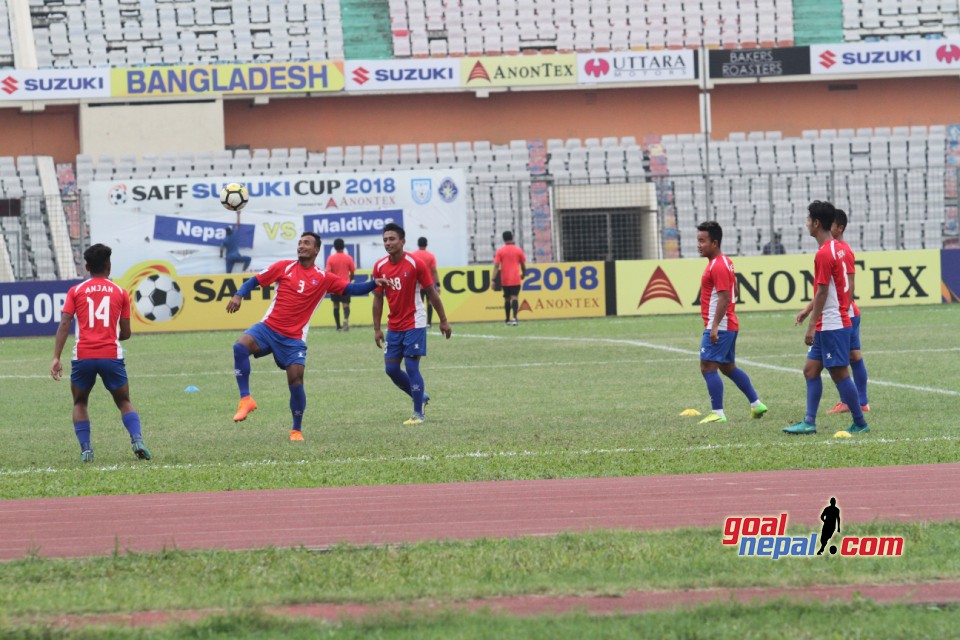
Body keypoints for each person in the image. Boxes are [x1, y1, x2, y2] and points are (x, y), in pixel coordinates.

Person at [226, 231, 385, 441]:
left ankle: (296, 430)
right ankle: (246, 399)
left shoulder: (324, 278)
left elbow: (352, 288)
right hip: (268, 328)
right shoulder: (284, 266)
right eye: (300, 242)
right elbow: (254, 281)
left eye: (306, 243)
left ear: (316, 250)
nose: (301, 246)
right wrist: (238, 296)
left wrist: (375, 282)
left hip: (293, 338)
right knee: (240, 347)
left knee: (296, 380)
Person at [50, 243, 151, 462]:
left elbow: (65, 323)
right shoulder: (120, 292)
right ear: (109, 265)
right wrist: (112, 336)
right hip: (111, 355)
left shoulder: (75, 291)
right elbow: (126, 333)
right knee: (124, 401)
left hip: (83, 356)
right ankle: (137, 440)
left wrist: (56, 357)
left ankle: (86, 450)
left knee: (80, 403)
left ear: (87, 266)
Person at [784, 201, 869, 436]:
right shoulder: (838, 248)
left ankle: (860, 422)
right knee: (811, 370)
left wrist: (811, 325)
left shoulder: (824, 253)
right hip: (830, 320)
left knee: (839, 373)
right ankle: (809, 422)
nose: (806, 224)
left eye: (808, 219)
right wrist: (809, 311)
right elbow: (830, 288)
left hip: (832, 323)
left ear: (817, 223)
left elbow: (823, 291)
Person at [372, 223, 452, 425]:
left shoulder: (415, 264)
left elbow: (432, 293)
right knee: (391, 369)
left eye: (392, 239)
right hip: (394, 325)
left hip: (415, 322)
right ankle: (421, 397)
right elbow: (378, 299)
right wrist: (376, 328)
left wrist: (443, 320)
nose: (388, 243)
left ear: (402, 241)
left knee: (411, 365)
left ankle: (418, 413)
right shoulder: (380, 266)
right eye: (385, 240)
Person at [694, 221, 768, 425]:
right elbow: (733, 292)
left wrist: (715, 325)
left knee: (707, 366)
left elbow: (725, 297)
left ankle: (717, 413)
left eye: (702, 241)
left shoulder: (718, 265)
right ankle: (756, 404)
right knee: (727, 367)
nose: (698, 245)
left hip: (721, 325)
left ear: (715, 242)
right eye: (698, 240)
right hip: (728, 323)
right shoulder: (724, 262)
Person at [492, 230, 527, 326]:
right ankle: (515, 318)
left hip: (505, 279)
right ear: (512, 237)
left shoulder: (500, 251)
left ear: (503, 239)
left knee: (507, 298)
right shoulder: (518, 250)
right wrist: (524, 274)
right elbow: (523, 264)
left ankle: (507, 320)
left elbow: (496, 266)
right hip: (516, 277)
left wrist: (493, 279)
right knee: (515, 297)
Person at [325, 238, 356, 332]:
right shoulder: (348, 258)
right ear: (344, 246)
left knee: (335, 305)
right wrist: (349, 280)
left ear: (334, 247)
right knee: (346, 305)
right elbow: (353, 271)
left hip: (335, 285)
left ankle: (338, 326)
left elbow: (328, 272)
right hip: (345, 284)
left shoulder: (331, 258)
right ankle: (346, 319)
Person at [412, 236, 440, 328]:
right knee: (429, 304)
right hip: (429, 284)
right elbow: (434, 271)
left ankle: (419, 323)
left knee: (418, 304)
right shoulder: (431, 256)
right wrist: (438, 284)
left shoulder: (413, 255)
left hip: (417, 285)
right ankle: (429, 323)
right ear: (426, 244)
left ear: (418, 244)